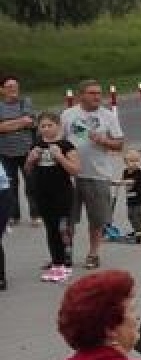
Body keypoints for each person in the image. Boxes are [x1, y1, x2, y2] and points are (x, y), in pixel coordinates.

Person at [60, 80, 125, 270]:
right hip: (70, 174)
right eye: (92, 93)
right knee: (68, 218)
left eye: (98, 93)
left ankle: (93, 253)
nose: (97, 96)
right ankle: (66, 253)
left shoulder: (108, 116)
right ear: (81, 95)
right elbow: (58, 139)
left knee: (96, 219)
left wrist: (104, 140)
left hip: (97, 174)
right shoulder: (68, 115)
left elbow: (119, 143)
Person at [25, 111, 80, 281]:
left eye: (50, 125)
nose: (46, 129)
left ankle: (65, 264)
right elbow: (27, 170)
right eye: (43, 126)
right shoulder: (36, 145)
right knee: (50, 229)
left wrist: (60, 157)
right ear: (39, 128)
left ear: (58, 126)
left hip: (62, 194)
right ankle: (56, 262)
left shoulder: (66, 145)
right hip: (42, 194)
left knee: (63, 228)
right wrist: (31, 159)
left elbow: (76, 170)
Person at [0, 74, 38, 226]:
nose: (13, 89)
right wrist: (20, 122)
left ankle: (35, 214)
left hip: (27, 151)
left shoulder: (25, 102)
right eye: (9, 87)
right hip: (5, 152)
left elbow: (31, 122)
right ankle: (13, 215)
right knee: (10, 185)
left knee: (32, 184)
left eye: (15, 86)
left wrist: (7, 125)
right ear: (2, 90)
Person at [120, 150, 141, 244]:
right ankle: (137, 230)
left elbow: (132, 181)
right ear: (126, 162)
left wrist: (124, 182)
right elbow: (123, 180)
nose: (134, 163)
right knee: (130, 216)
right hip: (130, 199)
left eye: (136, 161)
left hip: (139, 200)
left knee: (138, 216)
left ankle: (139, 234)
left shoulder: (139, 172)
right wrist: (117, 182)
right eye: (131, 161)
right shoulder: (125, 171)